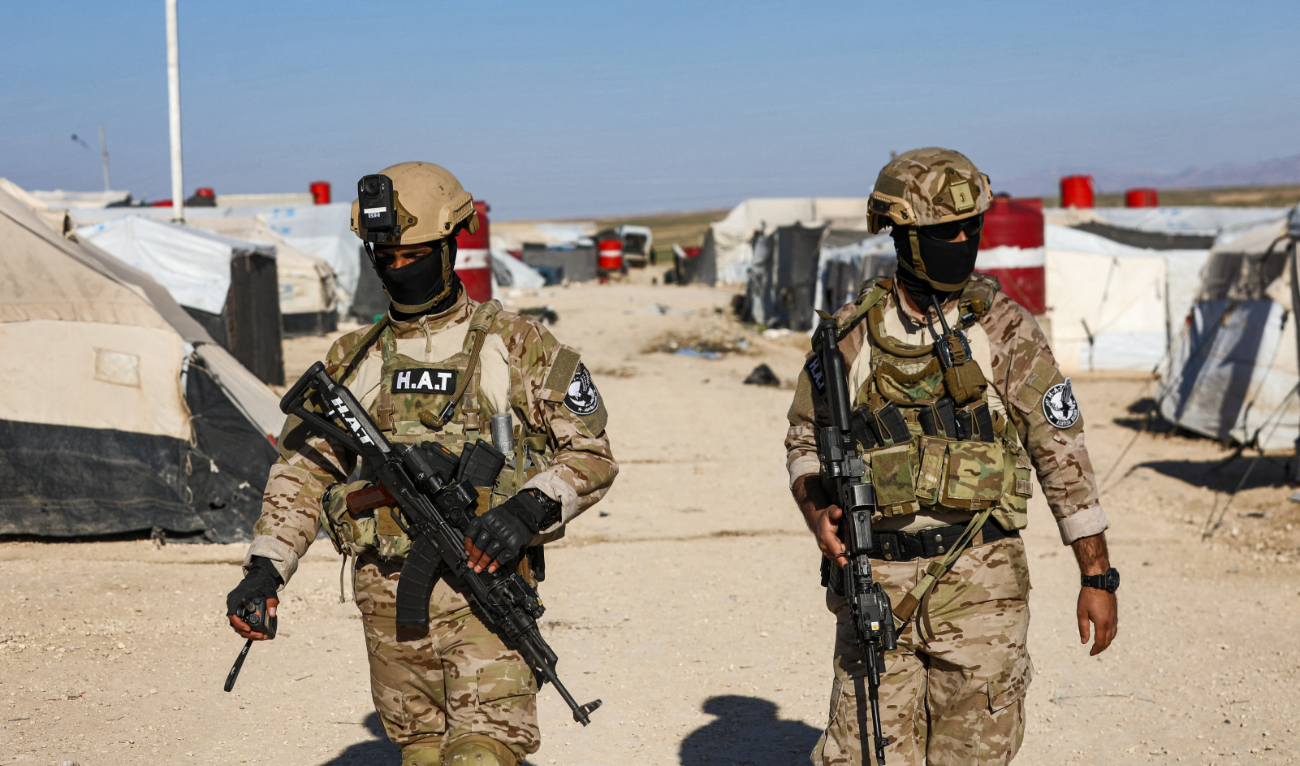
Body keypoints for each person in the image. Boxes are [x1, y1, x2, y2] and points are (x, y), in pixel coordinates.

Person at [225, 161, 618, 766]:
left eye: (415, 255)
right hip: (389, 608)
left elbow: (591, 455)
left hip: (486, 590)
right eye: (387, 257)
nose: (399, 268)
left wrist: (528, 507)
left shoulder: (518, 345)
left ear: (450, 244)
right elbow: (302, 473)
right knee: (423, 756)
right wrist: (265, 569)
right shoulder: (351, 359)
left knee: (481, 755)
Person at [786, 148, 1119, 765]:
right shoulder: (849, 335)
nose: (964, 241)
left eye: (973, 227)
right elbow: (805, 437)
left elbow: (1061, 454)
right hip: (875, 582)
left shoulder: (1006, 330)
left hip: (982, 584)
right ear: (903, 236)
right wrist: (816, 514)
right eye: (946, 232)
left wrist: (1096, 576)